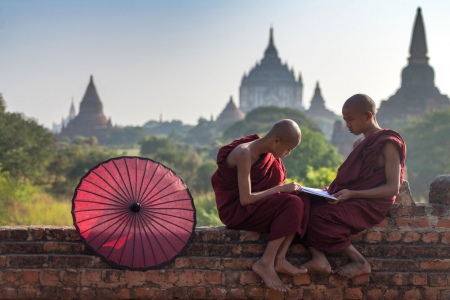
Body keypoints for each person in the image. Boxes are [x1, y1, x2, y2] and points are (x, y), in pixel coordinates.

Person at [300, 93, 407, 279]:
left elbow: (392, 188)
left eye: (351, 119)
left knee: (319, 216)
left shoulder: (388, 143)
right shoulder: (359, 144)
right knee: (303, 204)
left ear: (367, 115)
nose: (347, 125)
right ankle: (319, 258)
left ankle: (359, 262)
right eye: (344, 120)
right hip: (353, 197)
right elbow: (353, 179)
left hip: (372, 203)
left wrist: (353, 194)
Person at [211, 119, 310, 292]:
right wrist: (280, 189)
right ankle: (265, 262)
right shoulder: (244, 153)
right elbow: (246, 199)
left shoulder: (268, 154)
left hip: (257, 206)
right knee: (292, 203)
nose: (288, 154)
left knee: (303, 199)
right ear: (276, 141)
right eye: (288, 149)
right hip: (237, 210)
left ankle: (280, 258)